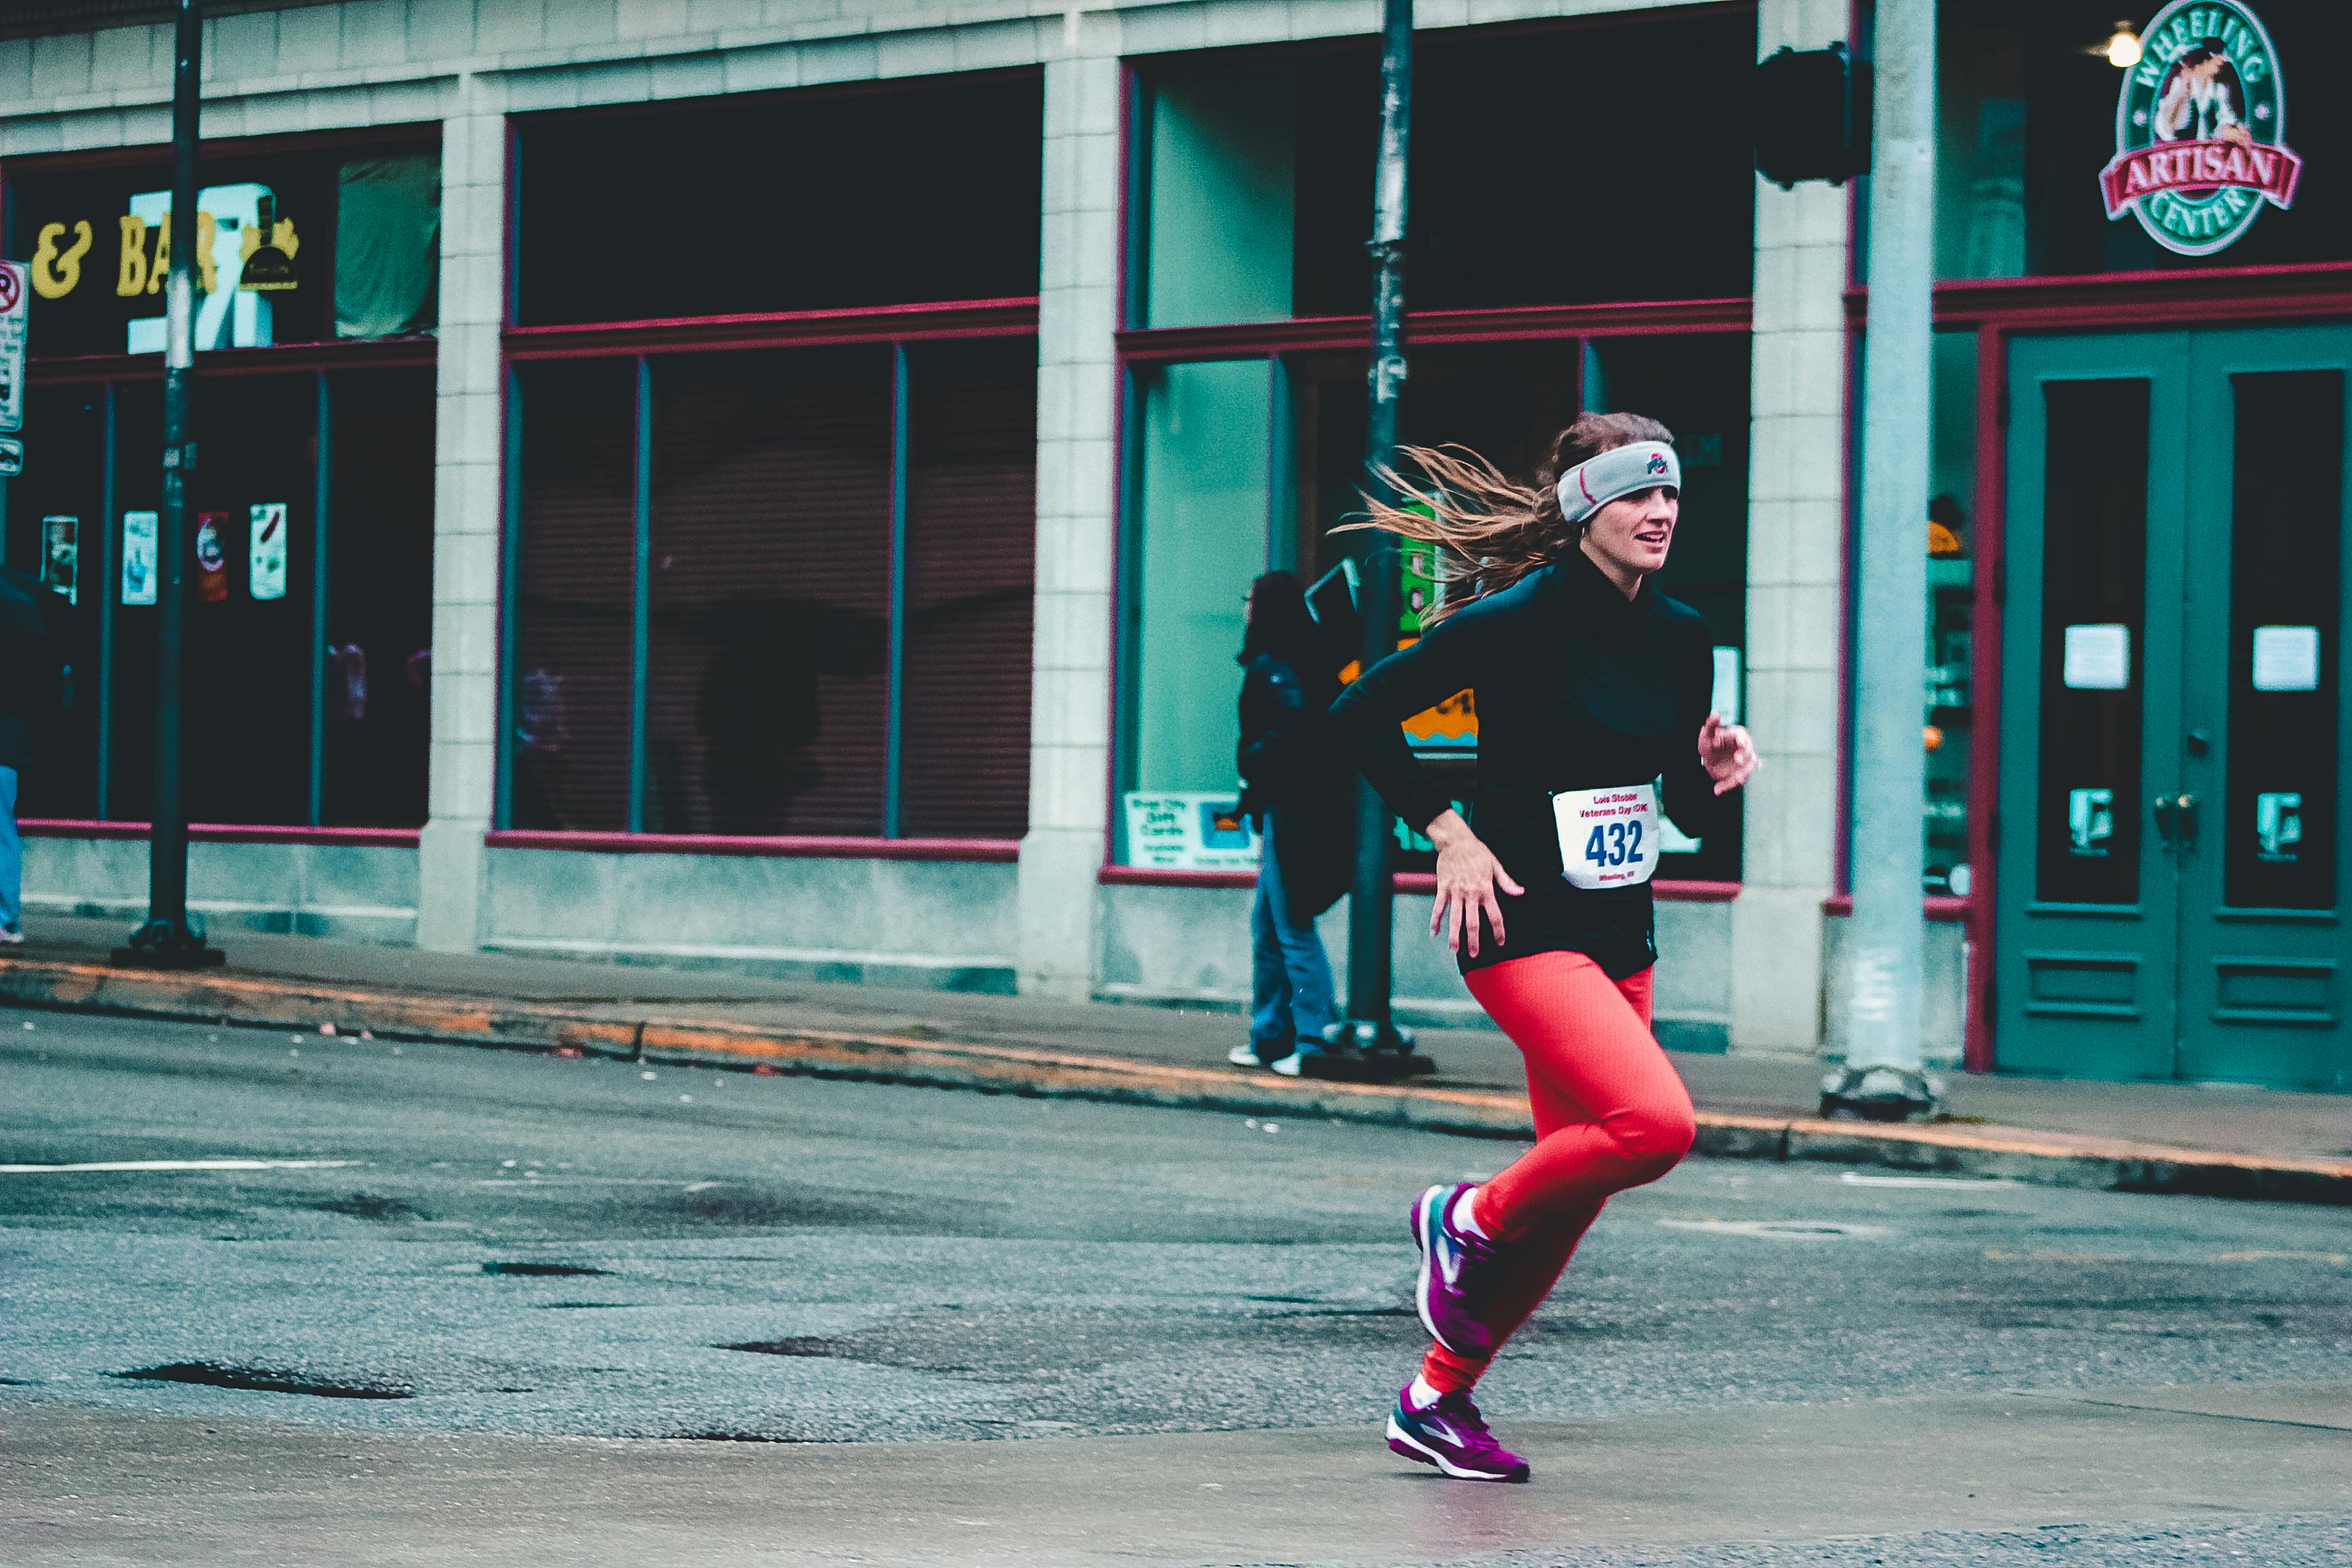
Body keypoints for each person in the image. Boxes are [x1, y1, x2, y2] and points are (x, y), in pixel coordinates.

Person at [1328, 412, 1759, 1482]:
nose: (1659, 513)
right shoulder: (1514, 622)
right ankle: (1462, 1215)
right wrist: (1450, 834)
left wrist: (1717, 771)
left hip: (1621, 929)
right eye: (1633, 494)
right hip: (1519, 920)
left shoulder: (1680, 633)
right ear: (1584, 509)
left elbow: (1687, 819)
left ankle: (1436, 1397)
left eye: (1669, 495)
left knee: (1579, 1186)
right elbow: (1361, 717)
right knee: (1655, 1126)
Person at [1229, 572, 1352, 1076]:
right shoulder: (1312, 656)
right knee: (1270, 925)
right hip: (1305, 805)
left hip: (1291, 808)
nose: (1244, 608)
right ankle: (1270, 1036)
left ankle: (1312, 1038)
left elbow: (1286, 734)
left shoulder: (1273, 666)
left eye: (1249, 599)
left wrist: (1251, 772)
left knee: (1291, 927)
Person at [0, 561, 53, 947]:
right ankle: (6, 918)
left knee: (2, 836)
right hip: (9, 755)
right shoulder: (25, 648)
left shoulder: (14, 662)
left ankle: (6, 919)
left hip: (4, 753)